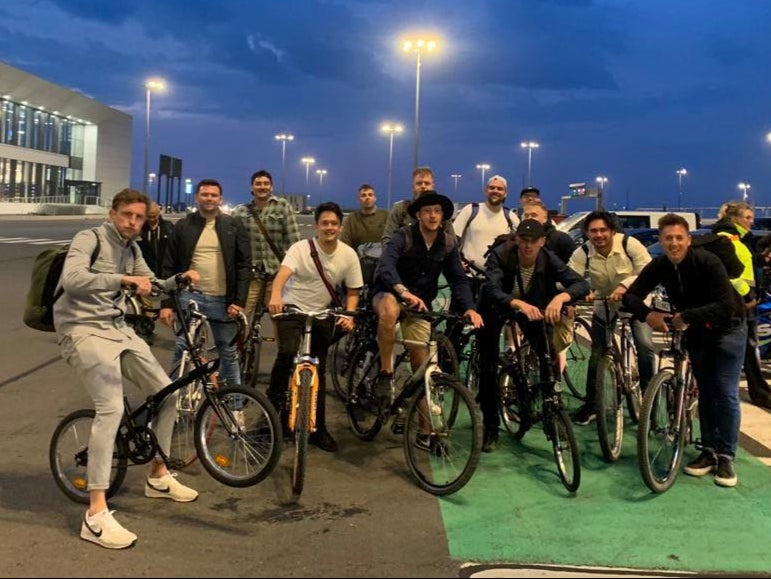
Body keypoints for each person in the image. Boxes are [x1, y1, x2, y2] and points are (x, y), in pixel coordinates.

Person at [55, 189, 199, 549]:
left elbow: (150, 285)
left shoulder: (132, 249)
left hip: (117, 329)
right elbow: (72, 279)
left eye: (139, 217)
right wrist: (122, 280)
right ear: (112, 213)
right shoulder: (89, 238)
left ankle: (158, 475)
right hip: (81, 329)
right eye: (127, 215)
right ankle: (95, 514)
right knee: (112, 408)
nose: (133, 222)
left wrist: (177, 280)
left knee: (169, 392)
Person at [623, 213, 746, 488]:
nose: (674, 243)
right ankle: (709, 450)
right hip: (698, 331)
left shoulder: (707, 261)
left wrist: (686, 315)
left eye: (679, 238)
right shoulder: (661, 265)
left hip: (728, 329)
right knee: (705, 390)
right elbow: (632, 295)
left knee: (724, 392)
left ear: (688, 240)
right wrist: (648, 315)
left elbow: (727, 304)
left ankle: (726, 455)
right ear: (661, 241)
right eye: (668, 238)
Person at [477, 219, 590, 452]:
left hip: (531, 308)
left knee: (548, 355)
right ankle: (490, 425)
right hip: (496, 308)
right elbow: (491, 288)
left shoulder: (548, 258)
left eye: (534, 241)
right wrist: (515, 302)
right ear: (517, 239)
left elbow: (580, 284)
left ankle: (553, 414)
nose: (528, 246)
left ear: (542, 242)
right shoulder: (501, 255)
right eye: (524, 240)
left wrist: (560, 298)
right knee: (487, 364)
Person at [372, 192, 483, 422]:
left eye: (437, 211)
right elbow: (386, 264)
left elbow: (458, 279)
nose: (432, 215)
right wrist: (402, 290)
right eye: (427, 211)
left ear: (442, 216)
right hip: (390, 291)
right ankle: (385, 373)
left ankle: (427, 429)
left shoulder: (448, 243)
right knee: (390, 312)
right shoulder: (404, 236)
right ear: (419, 215)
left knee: (421, 364)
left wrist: (470, 308)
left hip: (420, 302)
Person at [268, 202, 363, 453]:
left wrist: (350, 315)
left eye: (334, 223)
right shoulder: (300, 248)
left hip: (322, 312)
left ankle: (318, 429)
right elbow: (282, 275)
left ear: (340, 227)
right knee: (287, 352)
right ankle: (272, 409)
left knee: (317, 369)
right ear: (316, 226)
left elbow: (353, 291)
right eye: (325, 223)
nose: (329, 227)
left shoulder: (348, 254)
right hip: (292, 308)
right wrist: (276, 295)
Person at [566, 210, 655, 425]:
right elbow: (570, 276)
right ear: (587, 233)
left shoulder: (629, 244)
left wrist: (625, 286)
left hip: (636, 300)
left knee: (644, 347)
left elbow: (648, 271)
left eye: (603, 230)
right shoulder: (584, 251)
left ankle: (649, 405)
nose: (598, 235)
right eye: (593, 231)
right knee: (597, 352)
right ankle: (593, 405)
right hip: (605, 302)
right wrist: (580, 290)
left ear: (612, 231)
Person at [160, 179, 251, 387]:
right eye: (204, 194)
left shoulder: (233, 225)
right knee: (182, 347)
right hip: (190, 297)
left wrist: (239, 300)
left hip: (223, 299)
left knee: (227, 352)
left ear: (220, 199)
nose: (209, 198)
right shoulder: (183, 225)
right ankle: (171, 402)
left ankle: (234, 406)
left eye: (213, 195)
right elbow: (169, 266)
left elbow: (244, 264)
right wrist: (166, 304)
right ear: (197, 197)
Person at [713, 201, 771, 409]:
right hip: (740, 305)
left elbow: (744, 267)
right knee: (746, 349)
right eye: (747, 217)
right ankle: (759, 393)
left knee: (745, 349)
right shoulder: (728, 239)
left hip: (740, 304)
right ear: (734, 218)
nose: (751, 221)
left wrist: (760, 261)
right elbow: (731, 275)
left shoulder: (736, 238)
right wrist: (748, 296)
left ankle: (759, 392)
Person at [232, 170, 300, 323]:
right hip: (251, 275)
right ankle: (238, 347)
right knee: (239, 318)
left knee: (280, 320)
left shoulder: (282, 206)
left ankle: (282, 347)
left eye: (266, 183)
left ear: (271, 187)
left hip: (276, 276)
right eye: (258, 184)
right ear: (251, 188)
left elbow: (294, 242)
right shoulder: (240, 211)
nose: (262, 187)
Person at [452, 174, 519, 268]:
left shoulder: (511, 217)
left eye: (500, 189)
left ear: (505, 193)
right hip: (469, 276)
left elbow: (521, 245)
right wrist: (457, 262)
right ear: (486, 191)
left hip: (497, 278)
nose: (495, 191)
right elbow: (452, 240)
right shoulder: (470, 210)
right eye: (492, 188)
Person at [134, 202, 173, 344]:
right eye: (149, 216)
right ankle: (146, 328)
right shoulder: (139, 229)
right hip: (145, 271)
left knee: (165, 299)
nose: (152, 219)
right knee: (147, 303)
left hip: (164, 270)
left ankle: (165, 318)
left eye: (155, 216)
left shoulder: (168, 228)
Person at [382, 167, 455, 242]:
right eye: (419, 183)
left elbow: (452, 240)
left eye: (427, 183)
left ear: (432, 187)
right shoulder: (400, 209)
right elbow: (388, 238)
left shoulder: (441, 210)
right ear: (413, 187)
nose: (423, 186)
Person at [521, 199, 576, 264]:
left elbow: (572, 270)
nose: (529, 218)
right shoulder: (519, 240)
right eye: (526, 216)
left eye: (534, 215)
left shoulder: (561, 239)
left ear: (545, 218)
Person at [339, 183, 389, 250]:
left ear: (375, 198)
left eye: (370, 195)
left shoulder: (386, 215)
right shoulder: (351, 219)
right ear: (359, 199)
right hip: (357, 258)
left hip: (383, 258)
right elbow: (345, 243)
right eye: (363, 195)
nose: (367, 198)